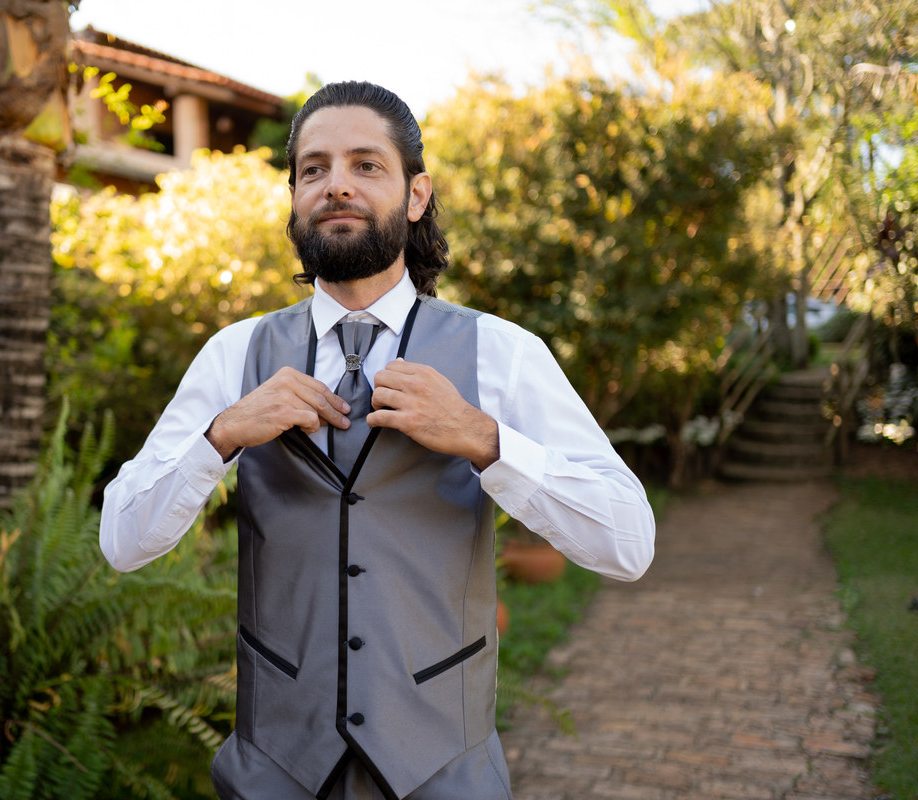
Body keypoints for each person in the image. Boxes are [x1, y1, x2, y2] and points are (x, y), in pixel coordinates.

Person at [99, 80, 655, 800]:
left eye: (366, 165)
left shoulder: (501, 353)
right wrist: (222, 436)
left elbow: (629, 543)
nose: (337, 186)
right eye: (315, 169)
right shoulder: (233, 356)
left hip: (444, 771)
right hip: (275, 768)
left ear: (416, 195)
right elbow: (122, 539)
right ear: (295, 195)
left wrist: (486, 441)